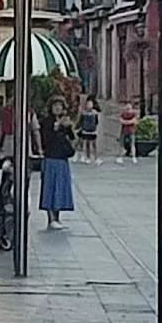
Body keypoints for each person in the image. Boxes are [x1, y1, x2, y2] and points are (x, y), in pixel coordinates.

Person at [37, 96, 76, 227]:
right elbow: (44, 139)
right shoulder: (46, 122)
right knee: (50, 187)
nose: (58, 108)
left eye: (60, 106)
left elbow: (72, 138)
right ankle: (51, 218)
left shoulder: (65, 121)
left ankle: (57, 217)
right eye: (55, 106)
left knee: (60, 187)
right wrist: (55, 128)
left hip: (62, 157)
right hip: (50, 157)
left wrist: (68, 127)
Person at [77, 95, 101, 163]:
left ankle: (96, 157)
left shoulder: (94, 113)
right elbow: (81, 121)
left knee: (94, 144)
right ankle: (88, 157)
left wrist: (95, 127)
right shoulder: (84, 113)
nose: (89, 105)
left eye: (90, 104)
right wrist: (81, 127)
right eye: (88, 104)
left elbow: (96, 121)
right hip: (85, 130)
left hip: (93, 130)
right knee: (87, 143)